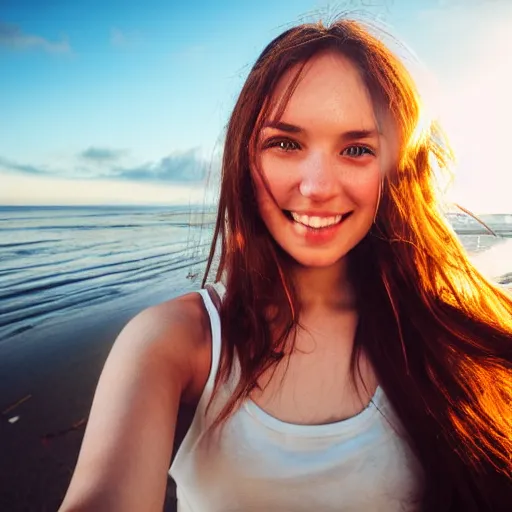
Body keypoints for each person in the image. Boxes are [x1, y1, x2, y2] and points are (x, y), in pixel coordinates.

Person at [59, 18, 512, 512]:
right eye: (286, 144)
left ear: (396, 172)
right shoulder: (176, 341)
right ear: (245, 158)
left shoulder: (450, 328)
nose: (317, 186)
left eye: (357, 149)